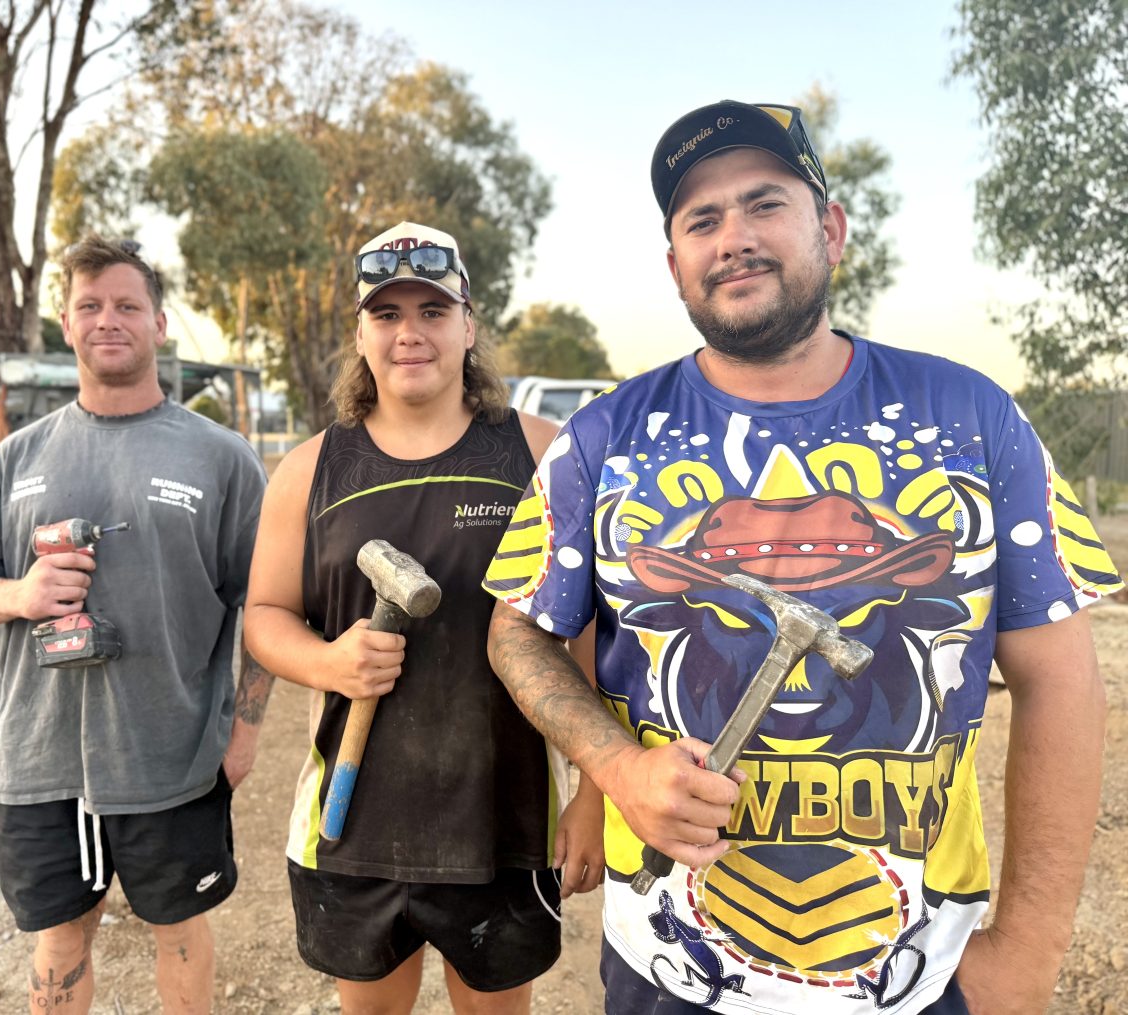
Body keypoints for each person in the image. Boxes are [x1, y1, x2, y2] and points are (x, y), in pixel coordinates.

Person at [483, 100, 1122, 1015]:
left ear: (830, 228)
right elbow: (518, 634)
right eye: (701, 220)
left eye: (764, 203)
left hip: (916, 973)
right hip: (669, 971)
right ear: (675, 266)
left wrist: (1028, 944)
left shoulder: (975, 419)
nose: (733, 237)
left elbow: (1063, 678)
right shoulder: (601, 439)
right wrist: (617, 769)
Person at [243, 221, 604, 1015]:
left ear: (469, 326)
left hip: (504, 822)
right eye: (388, 314)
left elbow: (582, 633)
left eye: (434, 311)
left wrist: (594, 791)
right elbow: (265, 616)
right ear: (361, 332)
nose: (411, 333)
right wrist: (327, 662)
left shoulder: (540, 456)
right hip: (354, 822)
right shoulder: (309, 471)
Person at [0, 235, 272, 1014]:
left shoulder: (220, 458)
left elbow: (260, 600)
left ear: (159, 324)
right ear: (65, 321)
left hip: (172, 754)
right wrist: (20, 595)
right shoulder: (18, 459)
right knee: (58, 937)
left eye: (127, 305)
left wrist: (243, 730)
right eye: (90, 305)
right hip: (39, 758)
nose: (107, 320)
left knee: (179, 927)